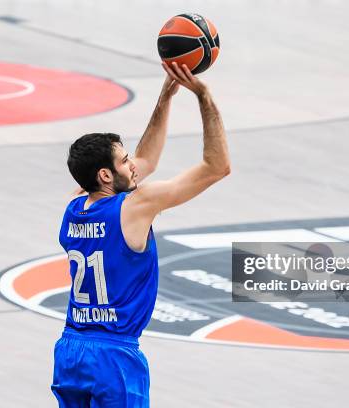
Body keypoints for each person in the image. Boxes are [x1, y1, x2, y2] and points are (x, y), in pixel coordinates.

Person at [51, 62, 230, 408]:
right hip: (114, 357)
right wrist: (204, 97)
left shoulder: (75, 205)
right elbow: (217, 167)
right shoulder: (135, 207)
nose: (133, 164)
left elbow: (146, 160)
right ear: (105, 175)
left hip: (70, 350)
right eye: (124, 161)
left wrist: (166, 97)